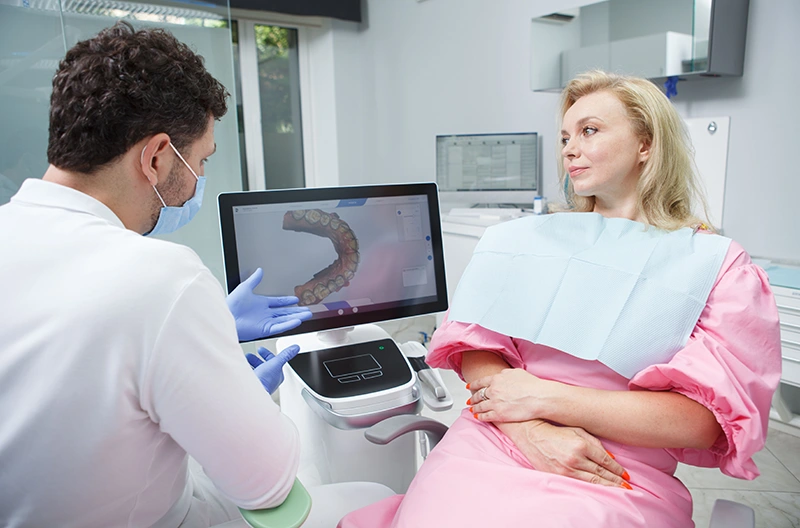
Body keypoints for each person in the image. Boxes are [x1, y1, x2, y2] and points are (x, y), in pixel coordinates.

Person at [339, 71, 782, 527]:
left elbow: (702, 423)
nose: (569, 148)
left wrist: (545, 398)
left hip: (611, 471)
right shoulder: (522, 241)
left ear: (646, 144)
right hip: (495, 439)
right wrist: (530, 429)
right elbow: (474, 346)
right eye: (566, 136)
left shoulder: (713, 265)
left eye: (589, 130)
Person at [0, 21, 318, 527]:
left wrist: (206, 331)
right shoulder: (164, 279)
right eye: (200, 162)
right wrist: (233, 385)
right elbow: (268, 484)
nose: (199, 182)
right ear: (155, 157)